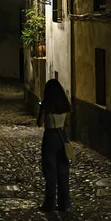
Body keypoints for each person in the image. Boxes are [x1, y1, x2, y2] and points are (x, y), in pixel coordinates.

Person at [37, 78, 71, 212]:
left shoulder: (46, 105)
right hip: (62, 137)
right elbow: (67, 123)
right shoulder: (65, 104)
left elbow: (39, 123)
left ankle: (49, 204)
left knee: (50, 171)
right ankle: (64, 204)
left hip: (50, 137)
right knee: (63, 172)